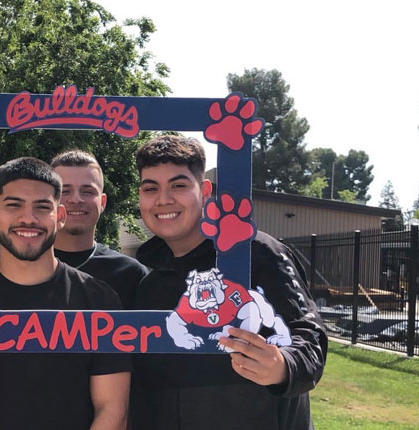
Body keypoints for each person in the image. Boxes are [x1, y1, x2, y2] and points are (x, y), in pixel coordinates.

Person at [129, 135, 327, 430]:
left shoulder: (255, 254)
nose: (163, 199)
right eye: (151, 188)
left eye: (179, 185)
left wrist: (282, 365)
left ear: (204, 191)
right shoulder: (150, 286)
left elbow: (309, 335)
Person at [0, 157, 132, 430]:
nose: (28, 218)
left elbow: (113, 410)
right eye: (14, 205)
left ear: (59, 216)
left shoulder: (100, 301)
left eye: (42, 207)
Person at [0, 150, 148, 307]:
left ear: (103, 202)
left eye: (88, 191)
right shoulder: (2, 263)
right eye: (65, 191)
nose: (76, 199)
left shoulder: (129, 274)